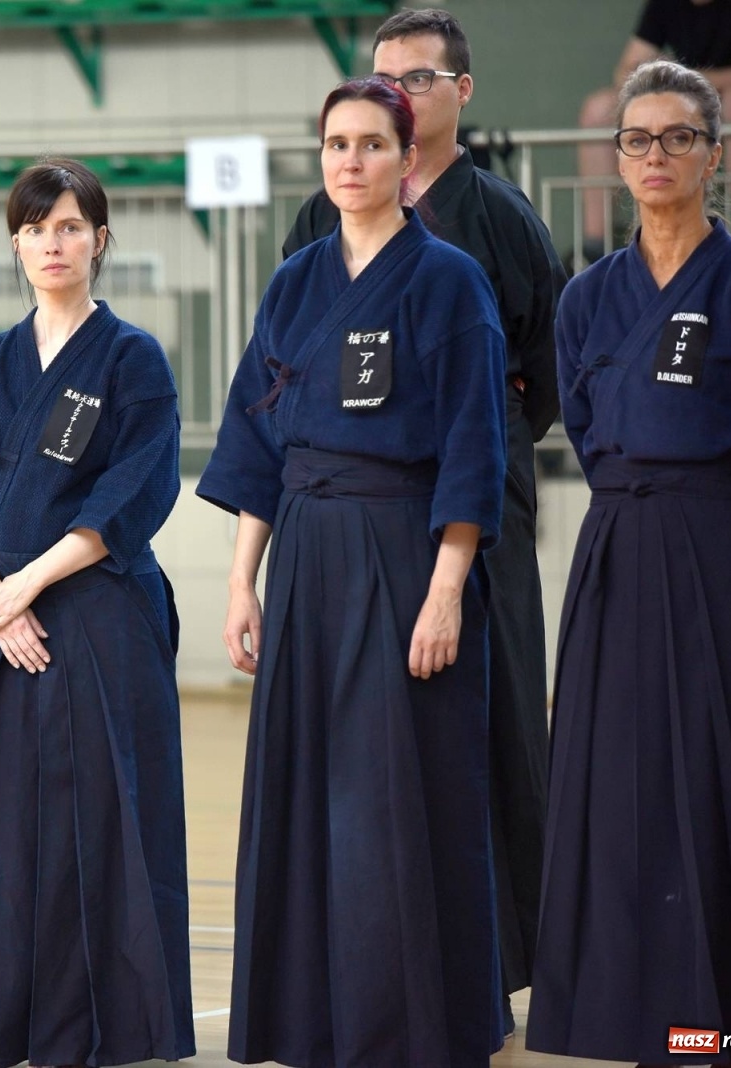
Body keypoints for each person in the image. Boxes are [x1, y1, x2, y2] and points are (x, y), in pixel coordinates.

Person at [528, 58, 731, 1065]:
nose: (655, 155)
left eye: (676, 138)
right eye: (636, 139)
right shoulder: (588, 297)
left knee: (720, 775)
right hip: (616, 545)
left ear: (713, 153)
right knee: (611, 782)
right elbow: (583, 421)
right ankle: (616, 1011)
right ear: (615, 159)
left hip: (725, 549)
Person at [202, 78, 507, 1067]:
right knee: (304, 790)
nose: (350, 160)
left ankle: (412, 1024)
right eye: (335, 142)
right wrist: (244, 580)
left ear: (405, 163)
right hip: (305, 551)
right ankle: (307, 1017)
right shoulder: (293, 281)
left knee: (400, 795)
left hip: (403, 546)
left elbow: (474, 444)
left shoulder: (451, 280)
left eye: (371, 144)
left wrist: (445, 589)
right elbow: (256, 441)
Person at [280, 8, 564, 1027]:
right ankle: (358, 962)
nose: (398, 92)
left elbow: (543, 370)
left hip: (470, 509)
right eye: (381, 78)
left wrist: (468, 452)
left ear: (460, 95)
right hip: (343, 524)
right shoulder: (320, 222)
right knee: (351, 748)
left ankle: (486, 961)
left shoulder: (501, 221)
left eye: (420, 79)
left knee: (485, 726)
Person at [0, 158, 193, 1068]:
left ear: (100, 240)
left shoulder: (132, 357)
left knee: (100, 821)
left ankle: (101, 1024)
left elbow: (133, 493)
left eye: (68, 227)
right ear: (15, 245)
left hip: (97, 615)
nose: (51, 244)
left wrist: (28, 587)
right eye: (34, 229)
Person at [576, 0, 731, 256]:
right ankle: (595, 247)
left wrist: (684, 79)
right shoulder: (664, 5)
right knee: (597, 109)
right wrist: (664, 77)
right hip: (691, 109)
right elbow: (625, 72)